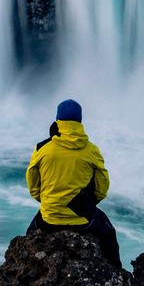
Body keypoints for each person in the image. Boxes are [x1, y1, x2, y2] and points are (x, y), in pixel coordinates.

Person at [25, 99, 122, 269]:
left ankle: (25, 267)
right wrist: (89, 203)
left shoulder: (42, 148)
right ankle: (116, 271)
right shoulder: (91, 150)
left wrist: (47, 199)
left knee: (29, 237)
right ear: (80, 121)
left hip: (50, 219)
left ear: (57, 120)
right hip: (83, 221)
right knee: (108, 233)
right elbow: (102, 186)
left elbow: (32, 182)